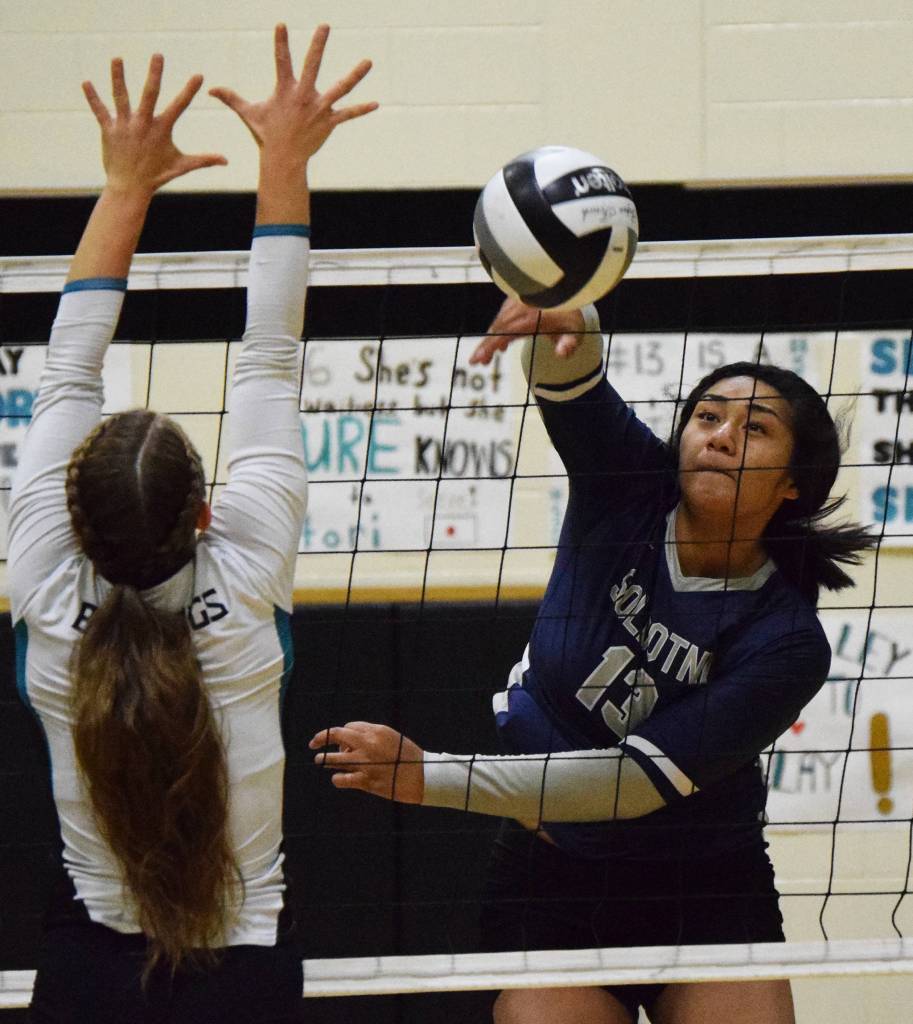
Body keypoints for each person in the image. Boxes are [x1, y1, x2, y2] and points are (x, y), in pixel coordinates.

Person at [310, 299, 876, 1024]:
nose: (722, 435)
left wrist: (430, 776)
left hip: (702, 888)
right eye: (706, 416)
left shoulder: (785, 638)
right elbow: (570, 380)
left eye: (754, 428)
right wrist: (566, 309)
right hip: (556, 879)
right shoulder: (628, 486)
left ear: (793, 482)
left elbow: (631, 784)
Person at [9, 24, 376, 1023]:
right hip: (245, 970)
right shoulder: (246, 563)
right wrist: (285, 162)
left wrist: (124, 185)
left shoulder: (42, 571)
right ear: (206, 513)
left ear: (71, 516)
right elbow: (270, 351)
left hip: (89, 971)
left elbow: (71, 365)